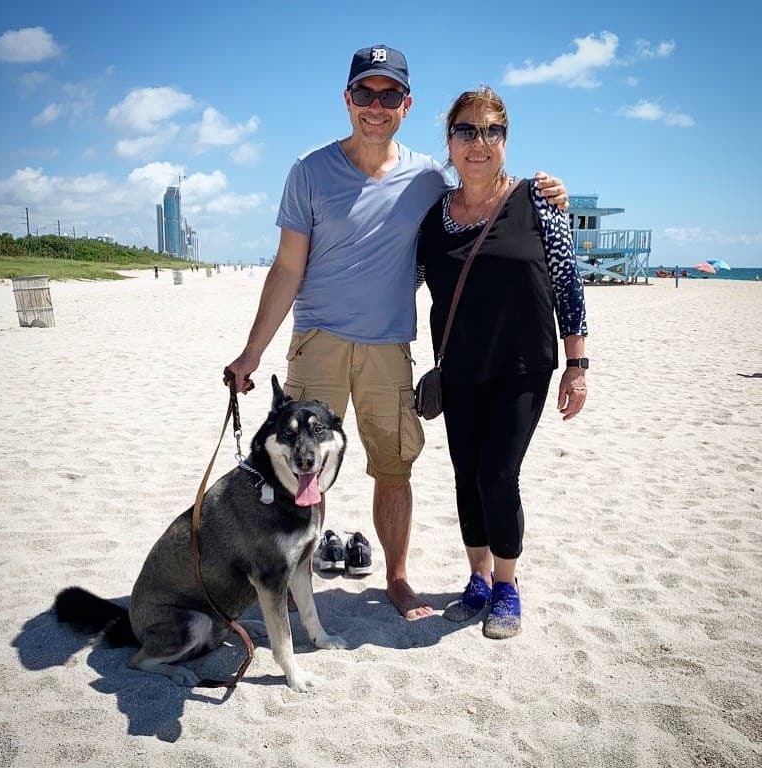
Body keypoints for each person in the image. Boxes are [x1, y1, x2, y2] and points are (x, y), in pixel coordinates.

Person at [225, 46, 569, 620]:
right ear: (347, 99)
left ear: (406, 105)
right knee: (301, 468)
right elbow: (287, 267)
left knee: (393, 467)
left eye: (389, 95)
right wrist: (251, 352)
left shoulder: (429, 179)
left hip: (388, 345)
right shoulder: (308, 171)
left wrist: (547, 190)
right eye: (365, 93)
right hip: (319, 341)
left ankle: (399, 579)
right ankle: (293, 577)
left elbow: (481, 194)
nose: (375, 106)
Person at [415, 85, 587, 637]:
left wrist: (577, 364)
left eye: (492, 130)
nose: (479, 142)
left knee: (498, 474)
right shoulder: (434, 217)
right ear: (449, 142)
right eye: (466, 130)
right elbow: (406, 284)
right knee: (467, 476)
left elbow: (567, 282)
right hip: (460, 368)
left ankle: (508, 585)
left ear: (506, 141)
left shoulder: (538, 200)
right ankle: (478, 578)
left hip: (523, 365)